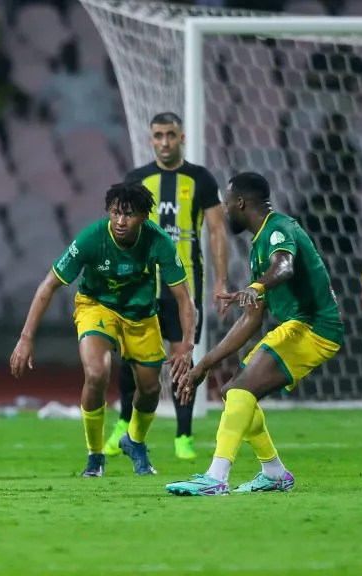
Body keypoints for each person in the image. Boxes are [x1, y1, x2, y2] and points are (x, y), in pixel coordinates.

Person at [166, 172, 344, 496]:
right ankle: (274, 473)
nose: (224, 210)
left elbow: (285, 266)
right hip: (298, 325)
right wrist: (203, 365)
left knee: (240, 392)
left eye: (226, 204)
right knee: (235, 392)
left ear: (240, 203)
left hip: (314, 326)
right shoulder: (259, 243)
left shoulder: (279, 229)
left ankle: (216, 478)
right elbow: (251, 319)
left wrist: (257, 285)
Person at [10, 182, 196, 478]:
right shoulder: (92, 238)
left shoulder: (158, 241)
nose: (120, 221)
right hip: (96, 306)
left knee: (150, 389)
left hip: (141, 315)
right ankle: (94, 456)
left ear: (144, 217)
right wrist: (25, 338)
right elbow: (48, 286)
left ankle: (134, 441)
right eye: (115, 213)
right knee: (96, 373)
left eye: (129, 215)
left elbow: (184, 299)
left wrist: (186, 344)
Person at [105, 112, 228, 461]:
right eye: (158, 135)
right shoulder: (138, 179)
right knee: (130, 357)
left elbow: (217, 230)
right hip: (142, 284)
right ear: (151, 139)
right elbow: (120, 229)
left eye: (170, 135)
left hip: (185, 285)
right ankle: (124, 423)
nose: (164, 142)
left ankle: (183, 435)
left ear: (182, 137)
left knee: (182, 357)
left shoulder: (200, 179)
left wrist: (220, 280)